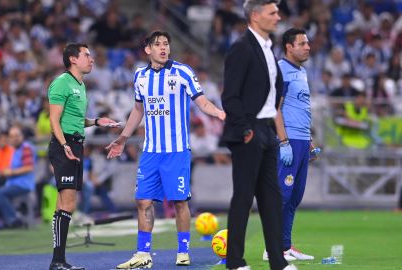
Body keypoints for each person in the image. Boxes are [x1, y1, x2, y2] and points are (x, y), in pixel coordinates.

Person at [106, 31, 225, 269]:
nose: (163, 48)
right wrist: (122, 138)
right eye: (157, 44)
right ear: (147, 49)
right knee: (143, 201)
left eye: (166, 44)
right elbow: (138, 110)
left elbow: (201, 101)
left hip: (177, 150)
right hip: (151, 151)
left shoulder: (182, 72)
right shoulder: (140, 76)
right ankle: (143, 254)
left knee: (180, 202)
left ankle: (183, 251)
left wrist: (220, 113)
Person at [221, 1, 297, 270]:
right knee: (243, 198)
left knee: (271, 199)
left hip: (266, 130)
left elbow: (272, 94)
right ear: (255, 16)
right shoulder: (241, 49)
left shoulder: (268, 48)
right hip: (249, 132)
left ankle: (279, 262)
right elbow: (230, 96)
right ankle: (235, 262)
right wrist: (245, 130)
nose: (278, 17)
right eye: (272, 12)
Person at [47, 43, 119, 270]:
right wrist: (64, 145)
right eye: (87, 55)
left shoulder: (80, 85)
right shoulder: (61, 83)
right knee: (68, 203)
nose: (92, 59)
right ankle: (58, 261)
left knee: (64, 204)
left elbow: (77, 121)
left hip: (76, 145)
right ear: (73, 59)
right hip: (65, 145)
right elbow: (54, 120)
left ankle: (58, 260)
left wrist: (97, 121)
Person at [261, 28, 316, 262]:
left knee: (294, 196)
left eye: (308, 43)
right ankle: (271, 248)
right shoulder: (281, 70)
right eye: (302, 43)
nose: (307, 47)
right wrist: (284, 142)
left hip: (301, 140)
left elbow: (300, 108)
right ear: (289, 47)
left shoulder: (301, 72)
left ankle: (285, 246)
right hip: (288, 140)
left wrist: (309, 141)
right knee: (281, 195)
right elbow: (275, 109)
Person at [0, 125, 35, 229]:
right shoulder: (14, 150)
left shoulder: (26, 148)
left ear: (22, 136)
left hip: (23, 184)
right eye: (12, 136)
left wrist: (11, 172)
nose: (15, 138)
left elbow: (29, 167)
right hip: (12, 183)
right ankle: (1, 222)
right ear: (9, 139)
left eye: (17, 135)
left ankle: (14, 220)